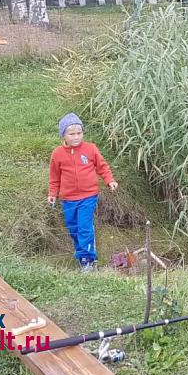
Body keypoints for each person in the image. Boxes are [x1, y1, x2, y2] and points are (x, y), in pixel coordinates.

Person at [48, 113, 118, 272]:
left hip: (88, 196)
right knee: (73, 227)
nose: (76, 137)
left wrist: (110, 180)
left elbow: (102, 166)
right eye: (71, 134)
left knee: (85, 226)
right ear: (63, 135)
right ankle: (82, 255)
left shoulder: (90, 149)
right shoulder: (57, 154)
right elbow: (54, 177)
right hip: (68, 198)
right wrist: (52, 193)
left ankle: (88, 260)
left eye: (79, 133)